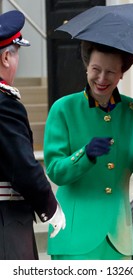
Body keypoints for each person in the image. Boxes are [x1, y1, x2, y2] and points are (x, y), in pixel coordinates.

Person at [44, 41, 133, 260]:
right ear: (87, 67)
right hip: (74, 236)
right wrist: (85, 154)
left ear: (121, 74)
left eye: (110, 72)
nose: (101, 79)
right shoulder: (63, 109)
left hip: (119, 238)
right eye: (96, 70)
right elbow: (55, 171)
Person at [0, 10, 66, 260]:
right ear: (6, 57)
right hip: (6, 220)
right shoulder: (5, 104)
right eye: (16, 54)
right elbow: (23, 167)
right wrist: (50, 206)